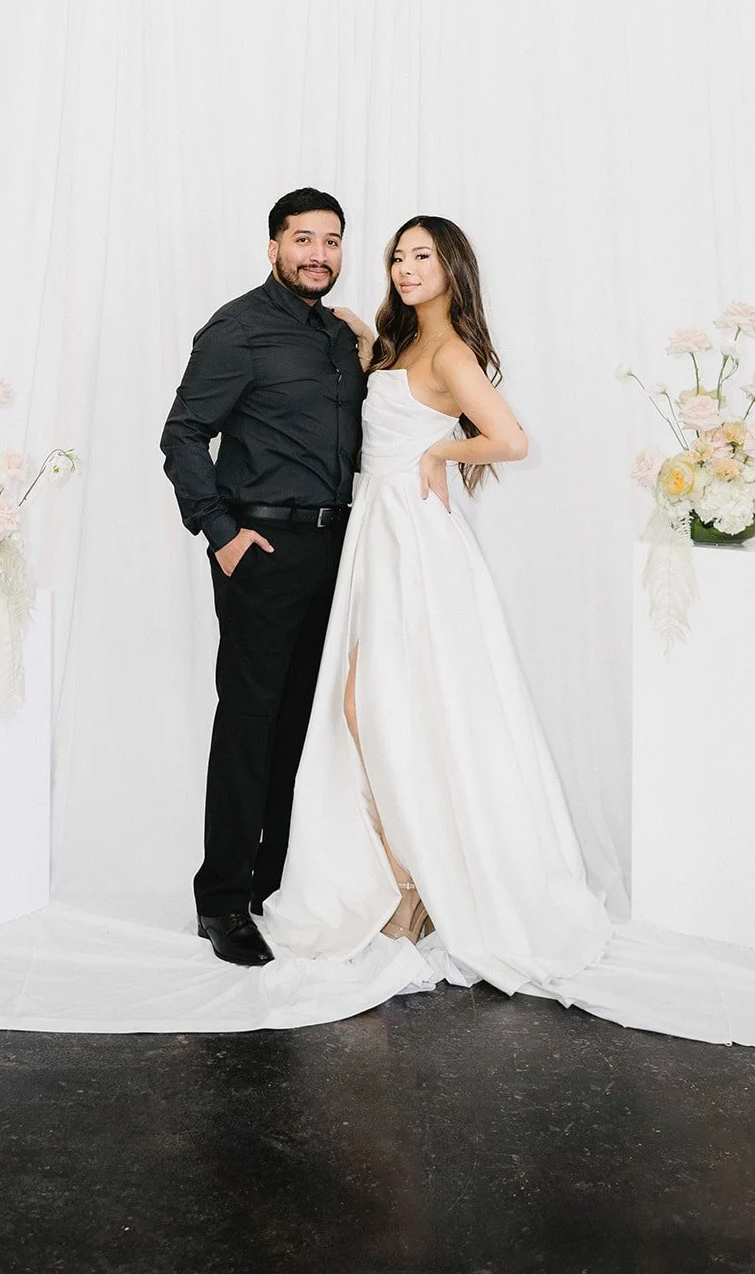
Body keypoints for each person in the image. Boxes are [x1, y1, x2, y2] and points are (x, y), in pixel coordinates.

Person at [263, 216, 612, 994]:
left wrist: (440, 450)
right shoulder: (399, 343)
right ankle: (404, 878)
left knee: (386, 706)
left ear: (452, 267)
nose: (405, 267)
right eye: (397, 256)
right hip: (376, 529)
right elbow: (381, 393)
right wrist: (360, 335)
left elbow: (510, 439)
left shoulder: (451, 351)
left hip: (413, 538)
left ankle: (412, 888)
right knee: (370, 708)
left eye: (422, 256)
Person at [160, 187, 368, 967]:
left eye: (331, 240)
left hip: (335, 546)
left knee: (302, 722)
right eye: (302, 239)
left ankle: (271, 882)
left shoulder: (338, 336)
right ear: (274, 246)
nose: (318, 253)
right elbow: (183, 434)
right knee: (250, 719)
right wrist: (220, 533)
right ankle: (221, 901)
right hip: (263, 548)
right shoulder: (238, 328)